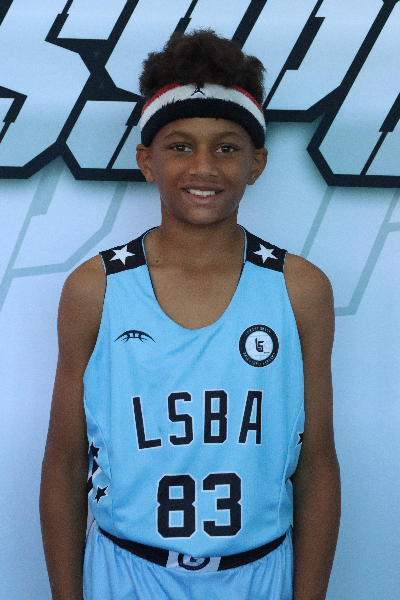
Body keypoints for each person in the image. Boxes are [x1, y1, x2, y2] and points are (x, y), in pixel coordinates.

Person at [40, 29, 341, 600]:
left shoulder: (299, 289)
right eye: (180, 146)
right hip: (127, 571)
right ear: (146, 160)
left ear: (257, 163)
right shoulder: (96, 288)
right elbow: (64, 461)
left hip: (257, 572)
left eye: (226, 147)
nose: (204, 166)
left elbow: (317, 462)